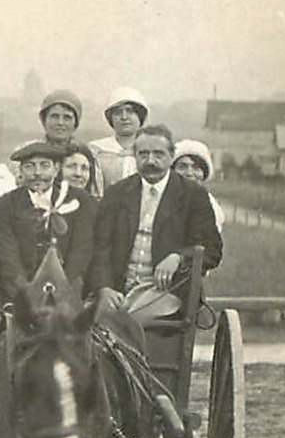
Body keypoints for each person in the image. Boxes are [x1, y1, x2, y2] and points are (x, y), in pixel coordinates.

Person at [90, 125, 224, 309]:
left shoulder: (193, 196)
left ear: (171, 156)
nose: (150, 161)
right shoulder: (117, 193)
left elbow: (212, 250)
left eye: (158, 154)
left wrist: (179, 257)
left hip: (169, 292)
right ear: (134, 156)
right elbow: (100, 246)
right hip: (118, 290)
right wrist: (104, 287)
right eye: (143, 154)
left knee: (129, 319)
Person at [0, 140, 99, 305]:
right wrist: (26, 293)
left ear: (56, 170)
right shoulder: (7, 204)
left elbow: (81, 251)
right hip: (20, 293)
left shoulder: (78, 200)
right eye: (29, 166)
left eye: (44, 166)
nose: (37, 173)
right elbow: (8, 255)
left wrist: (62, 290)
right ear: (20, 171)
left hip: (67, 291)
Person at [37, 88, 106, 196]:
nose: (60, 123)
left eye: (67, 118)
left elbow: (96, 194)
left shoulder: (86, 155)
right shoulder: (31, 152)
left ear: (75, 123)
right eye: (55, 116)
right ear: (44, 120)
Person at [89, 88, 149, 190]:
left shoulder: (151, 149)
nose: (124, 117)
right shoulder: (97, 150)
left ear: (140, 115)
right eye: (118, 112)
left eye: (130, 111)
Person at [171, 138, 227, 234]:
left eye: (196, 167)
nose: (189, 173)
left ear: (204, 173)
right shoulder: (163, 198)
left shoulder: (211, 207)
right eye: (182, 167)